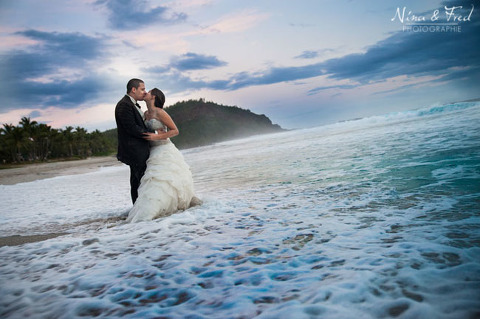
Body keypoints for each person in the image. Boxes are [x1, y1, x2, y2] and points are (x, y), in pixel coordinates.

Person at [126, 88, 201, 222]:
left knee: (164, 180)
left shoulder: (160, 112)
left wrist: (156, 137)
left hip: (164, 149)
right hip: (151, 152)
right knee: (152, 180)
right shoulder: (145, 113)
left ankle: (159, 209)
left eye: (147, 92)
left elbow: (175, 131)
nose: (145, 93)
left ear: (153, 96)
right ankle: (148, 211)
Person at [115, 78, 153, 204]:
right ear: (133, 89)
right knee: (139, 180)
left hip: (139, 149)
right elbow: (131, 128)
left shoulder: (131, 104)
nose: (144, 92)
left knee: (137, 180)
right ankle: (141, 209)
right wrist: (151, 135)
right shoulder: (124, 105)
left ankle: (139, 208)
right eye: (142, 89)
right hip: (134, 150)